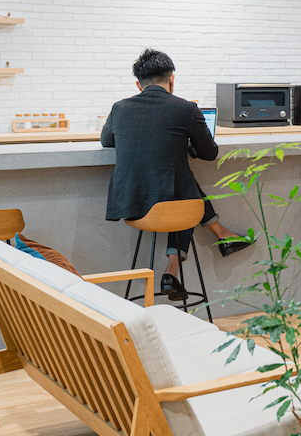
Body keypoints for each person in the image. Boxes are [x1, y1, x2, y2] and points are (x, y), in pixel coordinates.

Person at [102, 49, 249, 301]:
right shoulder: (186, 109)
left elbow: (107, 141)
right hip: (173, 205)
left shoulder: (119, 108)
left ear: (138, 85)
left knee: (181, 182)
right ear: (172, 79)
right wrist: (186, 144)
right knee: (183, 186)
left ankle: (181, 263)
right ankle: (192, 253)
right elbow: (209, 153)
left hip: (130, 204)